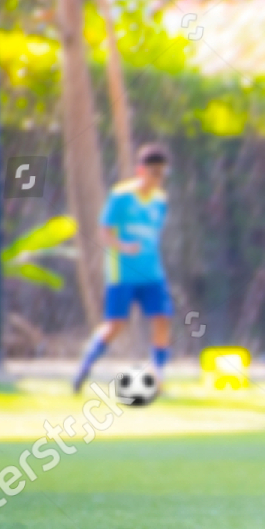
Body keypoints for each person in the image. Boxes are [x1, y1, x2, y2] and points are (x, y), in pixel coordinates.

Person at [72, 144, 174, 393]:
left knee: (162, 319)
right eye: (153, 173)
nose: (158, 179)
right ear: (141, 171)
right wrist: (124, 247)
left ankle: (157, 374)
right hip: (123, 274)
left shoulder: (161, 201)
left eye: (162, 174)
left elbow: (154, 234)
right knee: (115, 325)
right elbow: (103, 232)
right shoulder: (120, 196)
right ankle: (84, 367)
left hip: (152, 274)